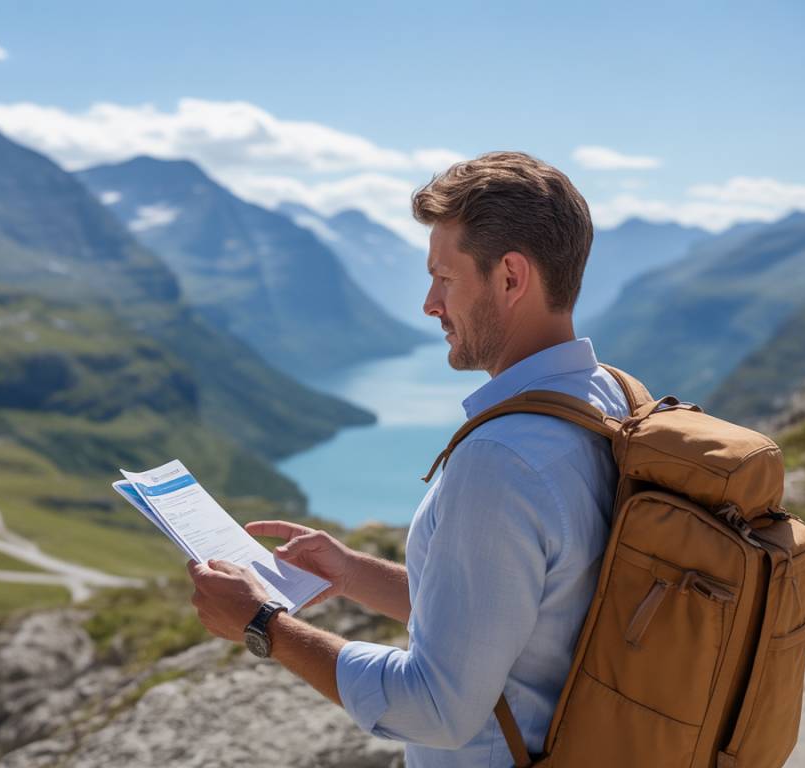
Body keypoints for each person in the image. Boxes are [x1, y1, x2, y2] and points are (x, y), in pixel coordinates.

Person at [187, 151, 631, 768]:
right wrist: (351, 573)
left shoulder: (502, 460)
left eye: (445, 278)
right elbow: (513, 613)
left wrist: (264, 625)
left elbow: (435, 709)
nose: (429, 303)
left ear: (510, 277)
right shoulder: (609, 400)